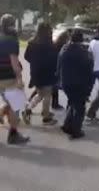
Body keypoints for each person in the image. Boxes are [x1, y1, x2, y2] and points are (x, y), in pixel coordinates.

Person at [59, 30, 94, 140]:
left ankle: (67, 124)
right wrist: (89, 86)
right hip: (79, 84)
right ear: (82, 40)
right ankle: (76, 130)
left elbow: (59, 66)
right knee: (79, 107)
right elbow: (89, 71)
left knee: (73, 102)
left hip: (66, 83)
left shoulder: (64, 51)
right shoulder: (84, 53)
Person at [0, 14, 30, 144]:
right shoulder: (11, 40)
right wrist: (19, 78)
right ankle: (13, 134)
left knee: (8, 102)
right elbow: (14, 63)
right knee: (15, 105)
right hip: (8, 77)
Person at [23, 22, 58, 126]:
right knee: (47, 94)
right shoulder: (49, 44)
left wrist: (34, 62)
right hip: (47, 72)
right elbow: (54, 59)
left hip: (35, 71)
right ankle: (46, 117)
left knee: (40, 94)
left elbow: (26, 56)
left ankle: (28, 109)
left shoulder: (32, 43)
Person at [51, 30, 70, 110]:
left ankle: (55, 103)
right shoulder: (62, 47)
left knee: (53, 87)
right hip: (56, 67)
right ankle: (55, 104)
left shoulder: (55, 44)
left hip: (53, 67)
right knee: (53, 87)